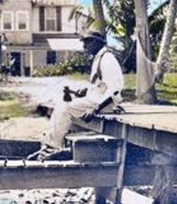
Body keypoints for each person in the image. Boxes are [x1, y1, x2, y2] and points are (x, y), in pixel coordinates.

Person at [28, 30, 124, 161]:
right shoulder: (99, 58)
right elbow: (101, 85)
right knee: (61, 102)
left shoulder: (108, 60)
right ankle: (55, 145)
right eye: (84, 41)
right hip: (96, 99)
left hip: (105, 104)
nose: (84, 45)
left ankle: (52, 147)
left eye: (87, 42)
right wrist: (85, 91)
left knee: (64, 108)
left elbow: (115, 90)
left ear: (97, 43)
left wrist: (95, 109)